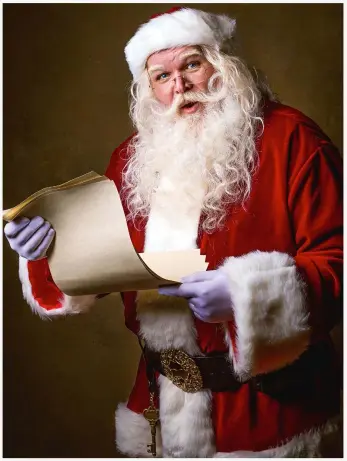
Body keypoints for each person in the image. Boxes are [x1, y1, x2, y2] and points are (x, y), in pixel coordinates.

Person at [4, 7, 342, 458]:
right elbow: (102, 262)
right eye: (161, 76)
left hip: (269, 418)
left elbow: (339, 261)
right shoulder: (130, 161)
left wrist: (247, 298)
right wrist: (49, 252)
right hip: (159, 417)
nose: (179, 86)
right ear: (149, 90)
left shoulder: (293, 139)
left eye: (191, 65)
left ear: (222, 66)